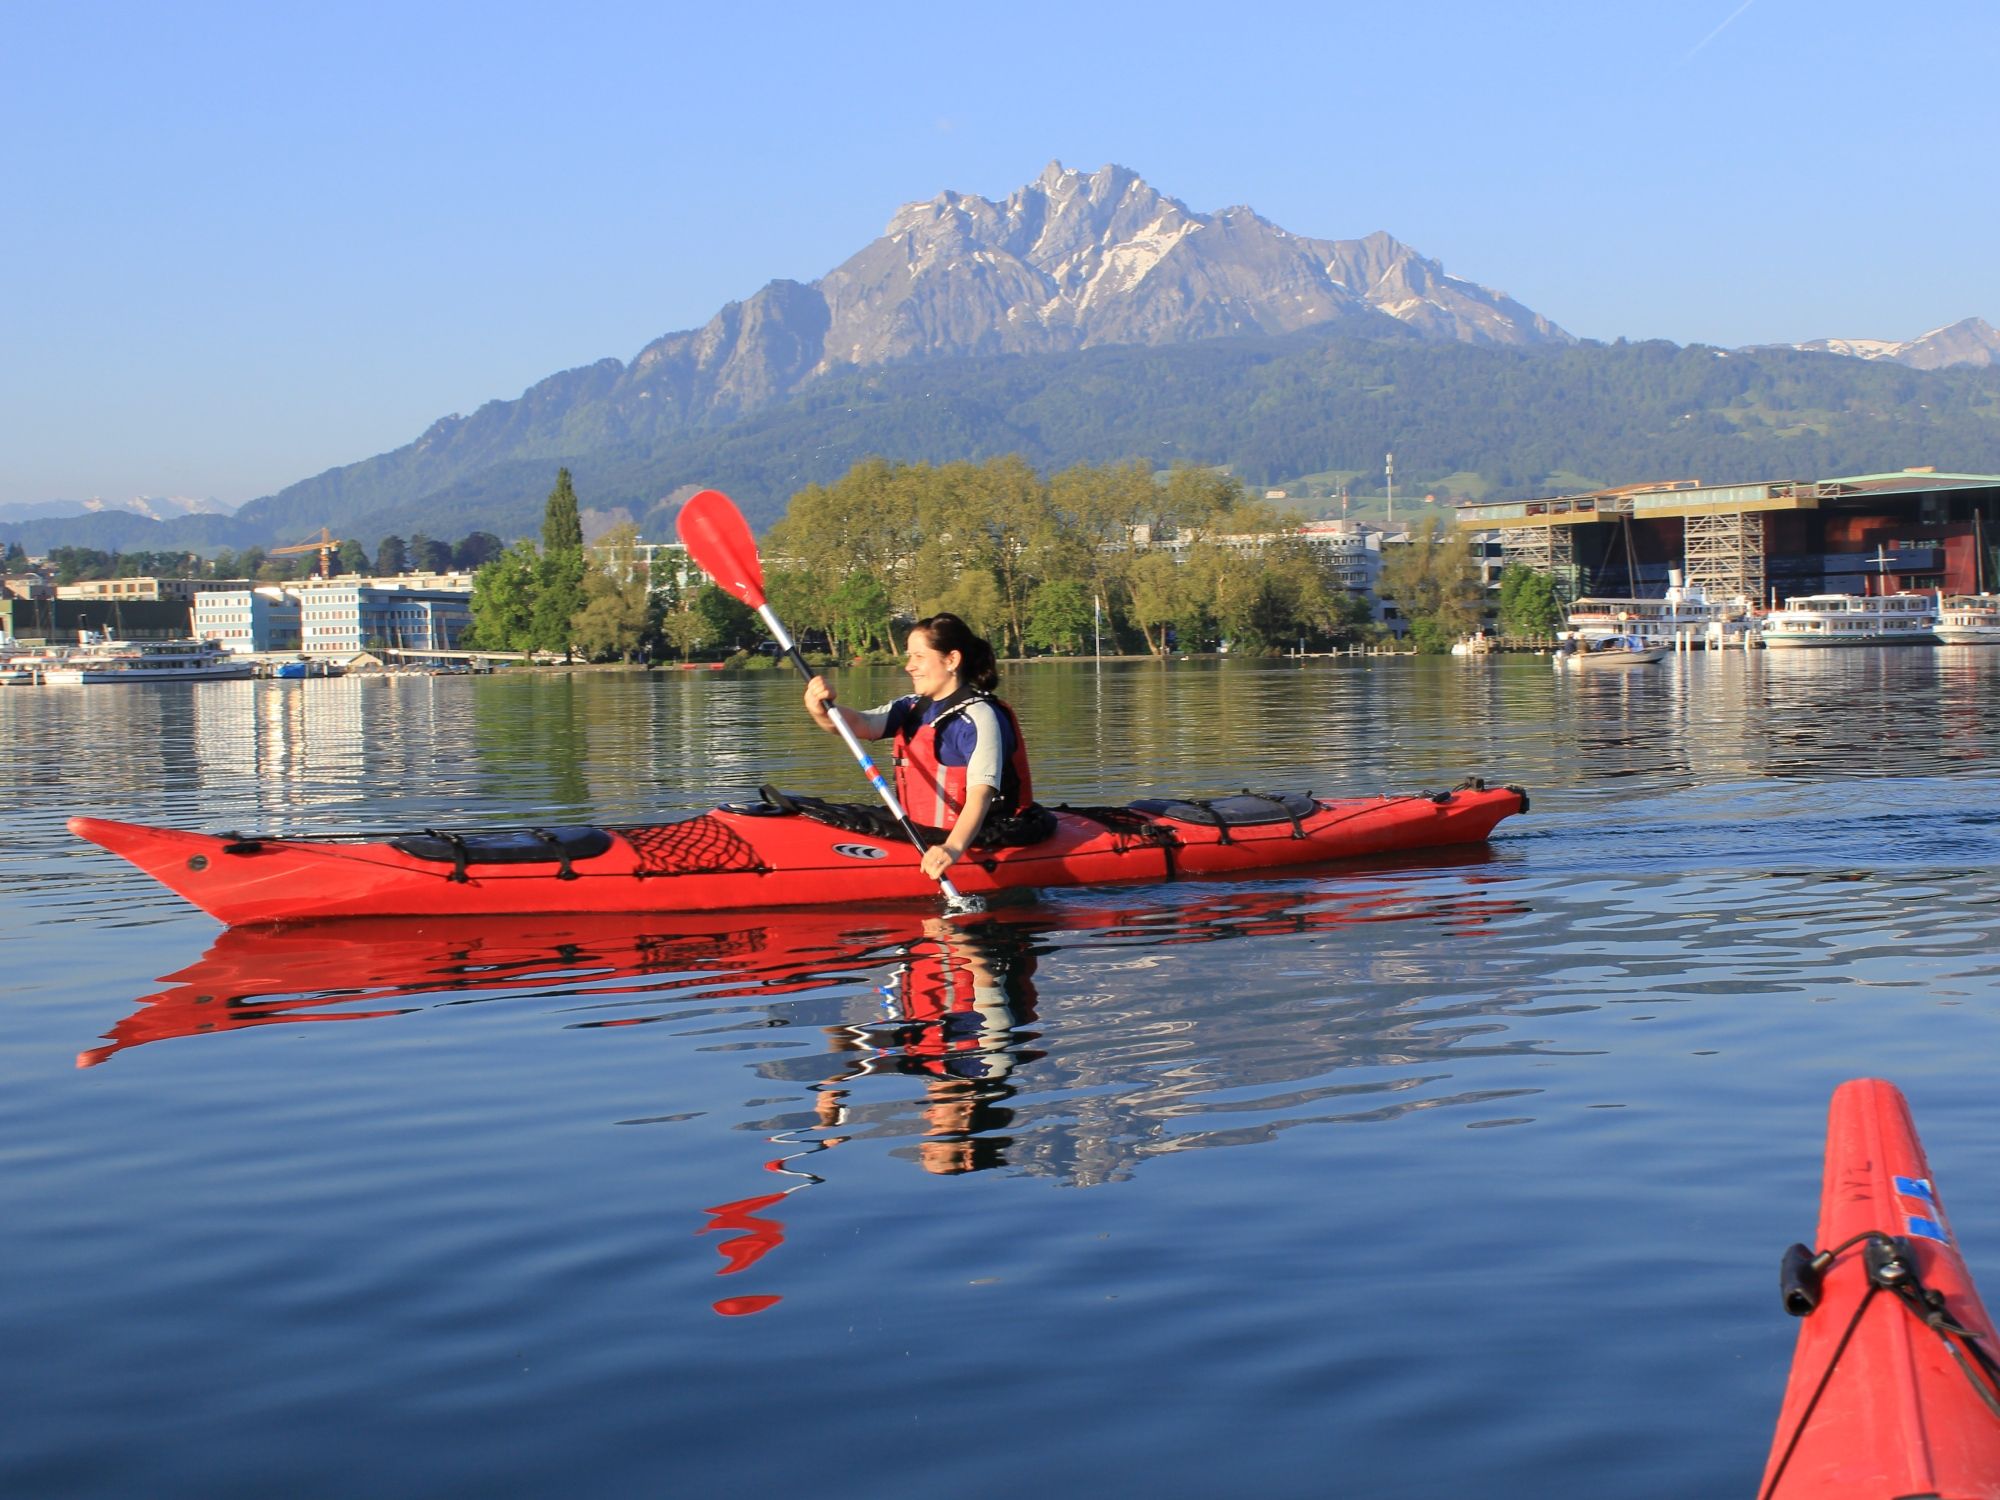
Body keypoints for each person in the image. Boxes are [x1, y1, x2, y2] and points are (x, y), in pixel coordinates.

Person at [803, 613, 1034, 881]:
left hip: (985, 831)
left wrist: (953, 847)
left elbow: (980, 794)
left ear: (952, 660)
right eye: (909, 657)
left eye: (919, 657)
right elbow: (859, 724)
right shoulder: (910, 707)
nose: (909, 666)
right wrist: (820, 709)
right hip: (921, 827)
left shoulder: (980, 717)